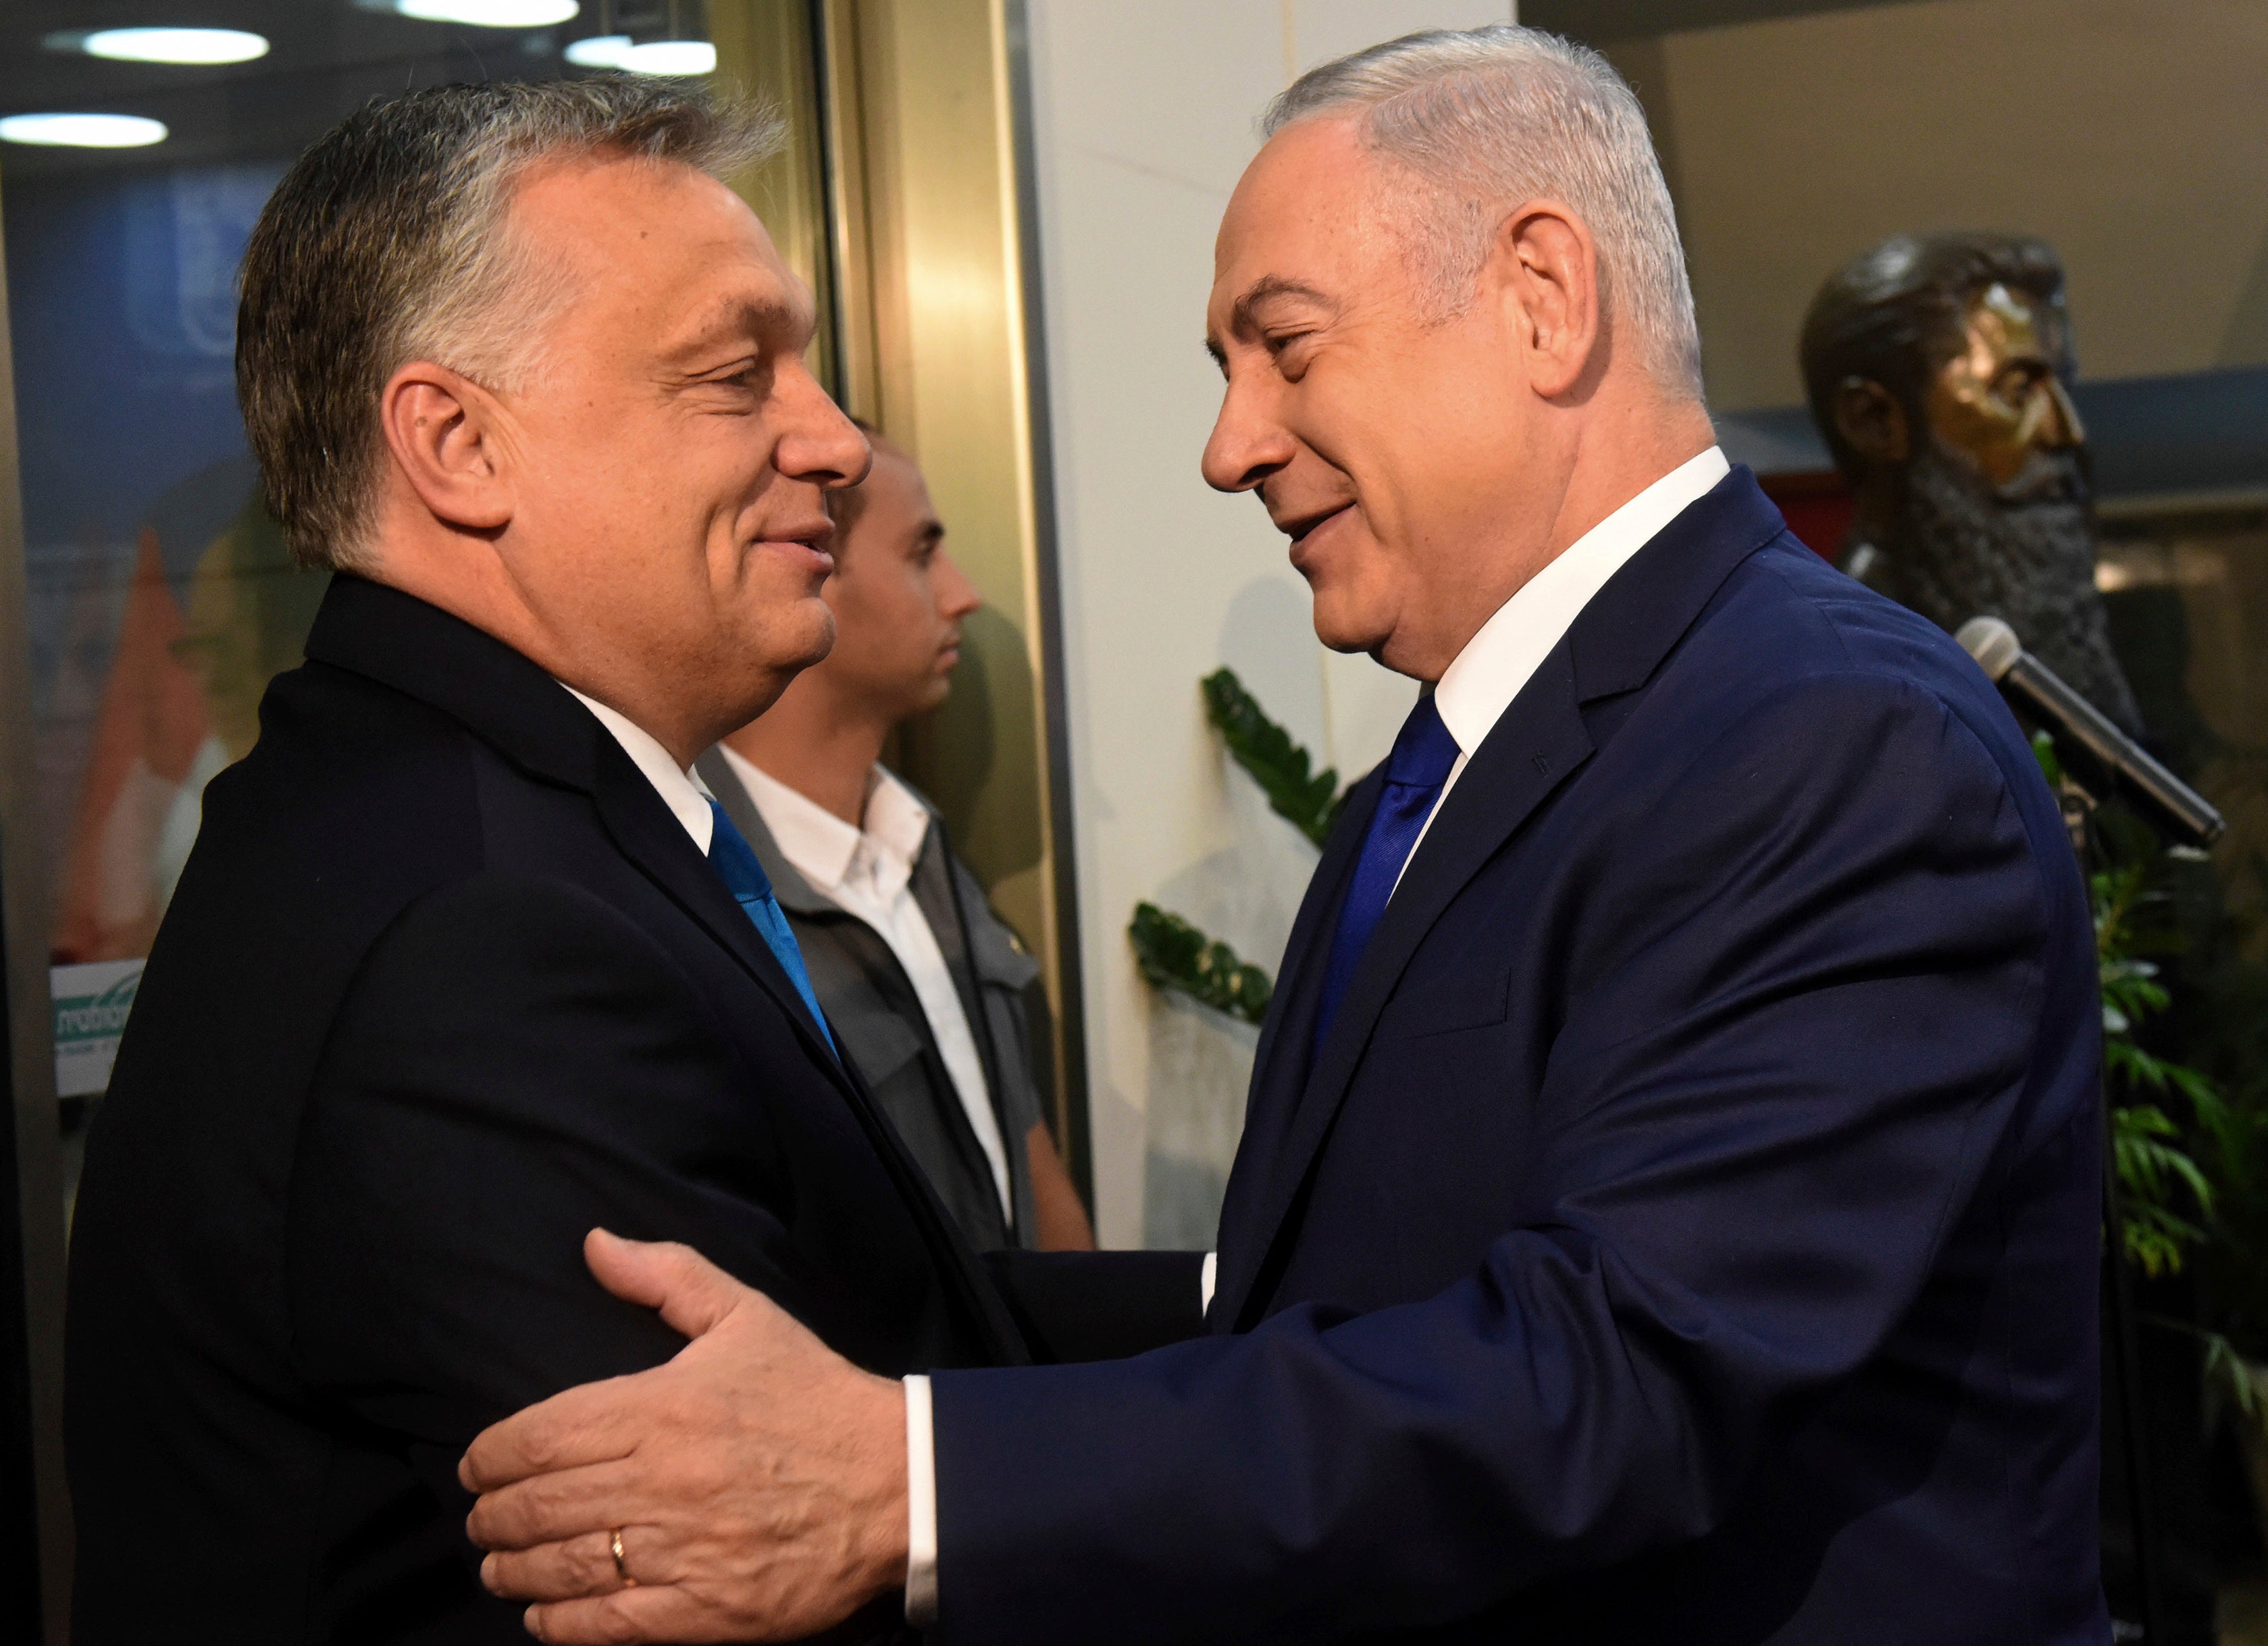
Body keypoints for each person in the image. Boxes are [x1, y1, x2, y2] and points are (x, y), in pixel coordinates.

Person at [463, 27, 2105, 1646]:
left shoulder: (1822, 734)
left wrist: (906, 1483)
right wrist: (854, 1331)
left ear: (1541, 296)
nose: (1229, 443)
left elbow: (1615, 1375)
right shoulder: (1478, 749)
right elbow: (1379, 1267)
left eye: (1286, 348)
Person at [64, 79, 1043, 1643]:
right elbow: (731, 1582)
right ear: (456, 442)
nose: (838, 443)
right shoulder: (478, 927)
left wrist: (1269, 1302)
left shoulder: (481, 816)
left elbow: (876, 1324)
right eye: (737, 375)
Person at [697, 426, 1094, 1252]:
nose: (963, 594)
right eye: (921, 554)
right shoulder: (709, 893)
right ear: (811, 564)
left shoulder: (919, 849)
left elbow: (1031, 1166)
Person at [1801, 230, 2142, 731]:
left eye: (2063, 387)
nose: (2068, 432)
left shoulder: (2058, 618)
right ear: (1875, 421)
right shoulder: (1846, 666)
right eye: (2019, 389)